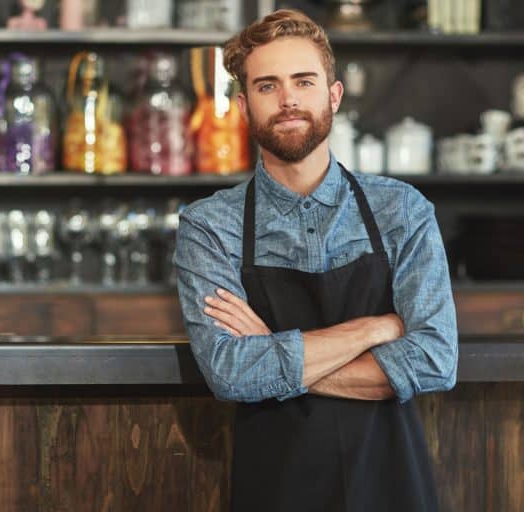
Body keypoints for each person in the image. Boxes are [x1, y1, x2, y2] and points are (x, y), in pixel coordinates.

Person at [173, 9, 458, 512]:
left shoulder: (402, 210)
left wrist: (269, 352)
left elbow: (435, 359)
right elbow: (230, 373)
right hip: (277, 487)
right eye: (267, 86)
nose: (287, 100)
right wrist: (374, 328)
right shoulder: (208, 225)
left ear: (333, 95)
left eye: (303, 82)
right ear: (243, 106)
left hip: (391, 484)